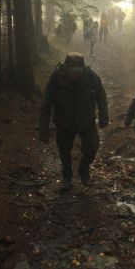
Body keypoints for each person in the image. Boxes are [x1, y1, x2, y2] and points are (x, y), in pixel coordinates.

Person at [39, 52, 109, 193]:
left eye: (78, 72)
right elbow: (46, 105)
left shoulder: (90, 76)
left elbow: (101, 96)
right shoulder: (56, 78)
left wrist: (103, 117)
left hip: (86, 120)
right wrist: (44, 129)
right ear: (66, 68)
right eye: (72, 71)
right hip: (64, 121)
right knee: (65, 152)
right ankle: (67, 177)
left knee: (92, 146)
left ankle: (83, 170)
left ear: (83, 69)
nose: (75, 75)